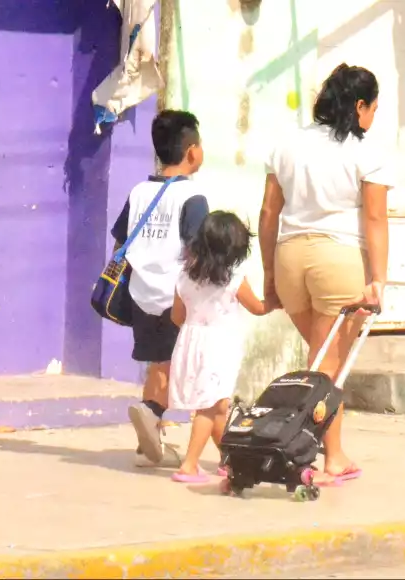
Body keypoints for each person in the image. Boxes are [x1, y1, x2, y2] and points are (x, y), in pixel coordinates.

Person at [258, 63, 393, 485]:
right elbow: (375, 219)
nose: (373, 116)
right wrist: (378, 279)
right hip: (337, 261)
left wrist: (268, 273)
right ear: (359, 106)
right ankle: (322, 454)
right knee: (325, 369)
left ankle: (328, 450)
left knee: (320, 364)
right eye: (372, 107)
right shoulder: (365, 150)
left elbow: (268, 212)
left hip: (289, 259)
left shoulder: (288, 142)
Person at [110, 109, 209, 468]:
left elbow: (121, 238)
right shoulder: (193, 197)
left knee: (159, 364)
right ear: (192, 151)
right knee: (177, 368)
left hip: (140, 293)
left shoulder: (139, 191)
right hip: (175, 296)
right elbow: (199, 252)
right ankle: (151, 411)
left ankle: (148, 440)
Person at [167, 211, 277, 483]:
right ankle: (189, 465)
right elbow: (258, 308)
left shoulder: (184, 277)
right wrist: (275, 299)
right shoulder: (234, 279)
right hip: (220, 346)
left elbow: (176, 318)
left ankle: (228, 459)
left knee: (218, 405)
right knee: (209, 405)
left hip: (191, 343)